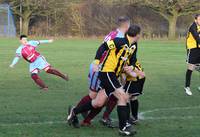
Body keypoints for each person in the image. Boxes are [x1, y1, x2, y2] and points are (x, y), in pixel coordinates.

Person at [67, 25, 141, 136]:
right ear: (137, 35)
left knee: (98, 102)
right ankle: (123, 127)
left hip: (114, 75)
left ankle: (74, 111)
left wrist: (131, 67)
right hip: (107, 72)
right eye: (141, 34)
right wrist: (97, 62)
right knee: (123, 96)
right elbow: (103, 47)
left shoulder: (134, 45)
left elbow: (133, 59)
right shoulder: (118, 41)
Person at [75, 16, 130, 126]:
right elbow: (105, 50)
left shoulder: (113, 33)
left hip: (106, 69)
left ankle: (90, 117)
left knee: (105, 97)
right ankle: (76, 111)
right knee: (94, 96)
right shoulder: (119, 37)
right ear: (127, 25)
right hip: (101, 69)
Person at [185, 14, 200, 96]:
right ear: (195, 20)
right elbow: (197, 38)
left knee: (197, 67)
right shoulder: (193, 27)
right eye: (199, 19)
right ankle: (187, 87)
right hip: (192, 48)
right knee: (191, 67)